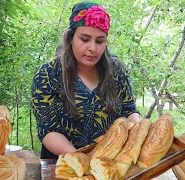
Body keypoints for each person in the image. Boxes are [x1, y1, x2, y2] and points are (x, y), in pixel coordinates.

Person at [31, 1, 141, 159]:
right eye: (84, 39)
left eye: (99, 41)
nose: (93, 48)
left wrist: (137, 130)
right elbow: (48, 130)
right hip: (63, 163)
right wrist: (81, 160)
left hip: (110, 161)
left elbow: (129, 110)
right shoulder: (48, 74)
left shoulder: (116, 70)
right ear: (70, 38)